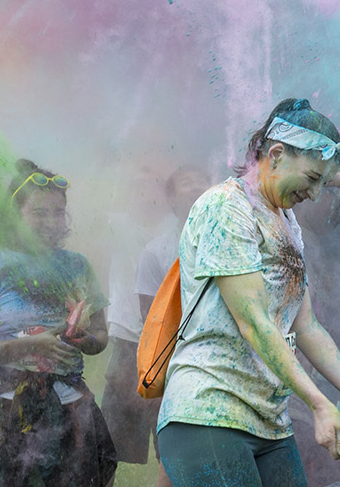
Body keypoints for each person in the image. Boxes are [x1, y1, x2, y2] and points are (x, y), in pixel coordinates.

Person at [157, 98, 340, 486]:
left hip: (269, 422)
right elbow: (254, 321)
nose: (316, 194)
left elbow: (308, 327)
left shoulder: (286, 222)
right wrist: (318, 403)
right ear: (276, 154)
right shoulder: (225, 207)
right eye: (313, 178)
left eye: (323, 181)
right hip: (208, 412)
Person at [0, 159, 116, 486]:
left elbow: (100, 336)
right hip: (5, 414)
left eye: (58, 212)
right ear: (15, 216)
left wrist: (85, 339)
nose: (52, 222)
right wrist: (29, 346)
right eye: (39, 213)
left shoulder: (78, 267)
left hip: (73, 411)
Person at [105, 166, 210, 482]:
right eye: (186, 183)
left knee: (182, 452)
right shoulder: (155, 246)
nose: (194, 188)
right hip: (148, 353)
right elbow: (151, 318)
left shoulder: (230, 238)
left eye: (201, 181)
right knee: (108, 448)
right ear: (171, 200)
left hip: (204, 362)